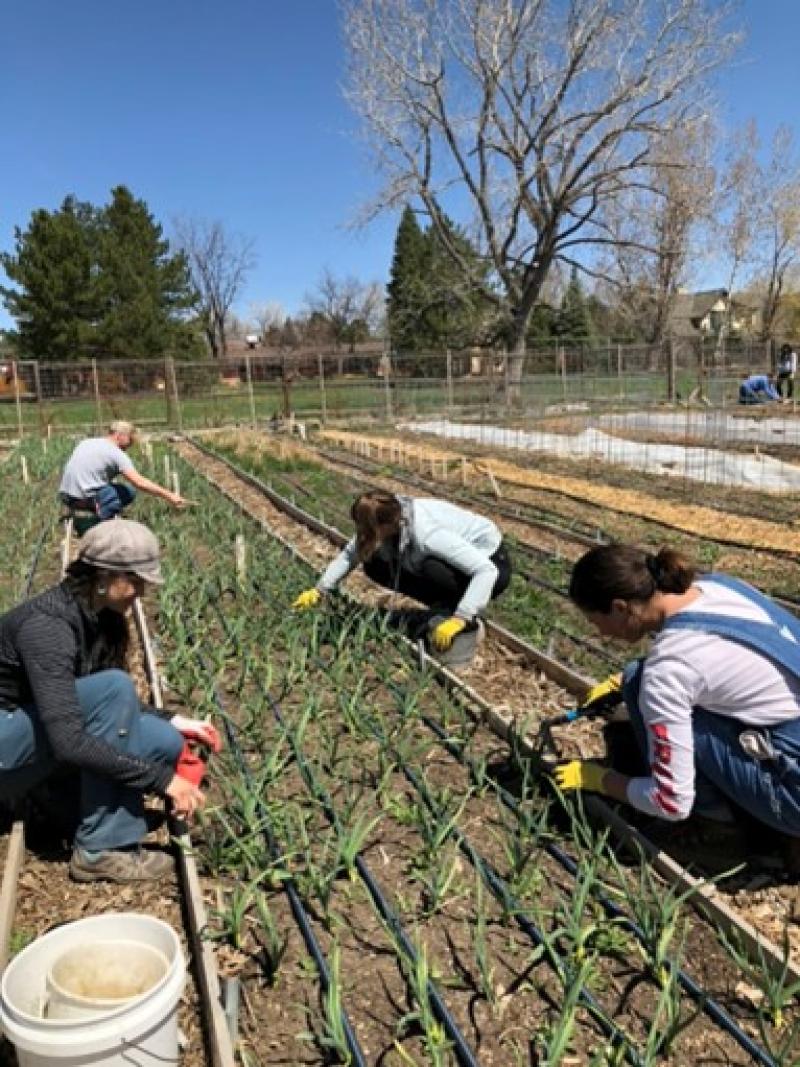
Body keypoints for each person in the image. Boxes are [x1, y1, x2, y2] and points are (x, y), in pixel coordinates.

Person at [0, 519, 221, 883]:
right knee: (115, 689)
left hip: (34, 736)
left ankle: (62, 801)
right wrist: (163, 781)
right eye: (135, 581)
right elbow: (71, 737)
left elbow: (88, 702)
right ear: (102, 575)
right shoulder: (47, 626)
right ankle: (101, 850)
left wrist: (173, 720)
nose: (142, 591)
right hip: (7, 750)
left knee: (163, 740)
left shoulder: (100, 616)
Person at [555, 544, 800, 870]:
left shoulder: (670, 668)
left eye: (596, 620)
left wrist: (600, 780)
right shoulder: (717, 587)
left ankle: (716, 830)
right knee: (635, 678)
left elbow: (670, 801)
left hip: (793, 793)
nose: (598, 633)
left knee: (648, 688)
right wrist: (624, 683)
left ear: (619, 608)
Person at [292, 490, 512, 663]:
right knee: (375, 563)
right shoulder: (387, 518)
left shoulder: (428, 534)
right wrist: (320, 589)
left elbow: (485, 571)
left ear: (388, 525)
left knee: (433, 567)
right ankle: (442, 608)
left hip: (492, 562)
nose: (364, 535)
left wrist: (461, 617)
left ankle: (466, 620)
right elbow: (351, 554)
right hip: (464, 564)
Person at [59, 420, 188, 520]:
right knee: (128, 492)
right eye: (130, 439)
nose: (131, 443)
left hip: (66, 496)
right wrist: (169, 495)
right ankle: (100, 521)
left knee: (109, 488)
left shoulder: (87, 442)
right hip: (84, 496)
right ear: (119, 436)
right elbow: (139, 482)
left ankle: (90, 505)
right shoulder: (116, 454)